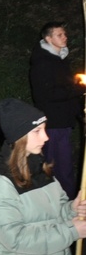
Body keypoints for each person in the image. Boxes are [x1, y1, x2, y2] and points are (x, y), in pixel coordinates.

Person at [0, 98, 86, 255]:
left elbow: (54, 214)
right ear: (19, 136)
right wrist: (72, 231)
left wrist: (72, 209)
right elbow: (16, 239)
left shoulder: (40, 169)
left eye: (44, 129)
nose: (46, 137)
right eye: (37, 131)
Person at [29, 22, 84, 199]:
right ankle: (50, 201)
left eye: (64, 34)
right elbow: (47, 93)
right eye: (60, 35)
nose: (65, 37)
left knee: (65, 165)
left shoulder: (61, 58)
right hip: (52, 122)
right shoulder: (42, 62)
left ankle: (67, 202)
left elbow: (65, 86)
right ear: (48, 38)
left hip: (64, 121)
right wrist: (77, 90)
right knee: (51, 165)